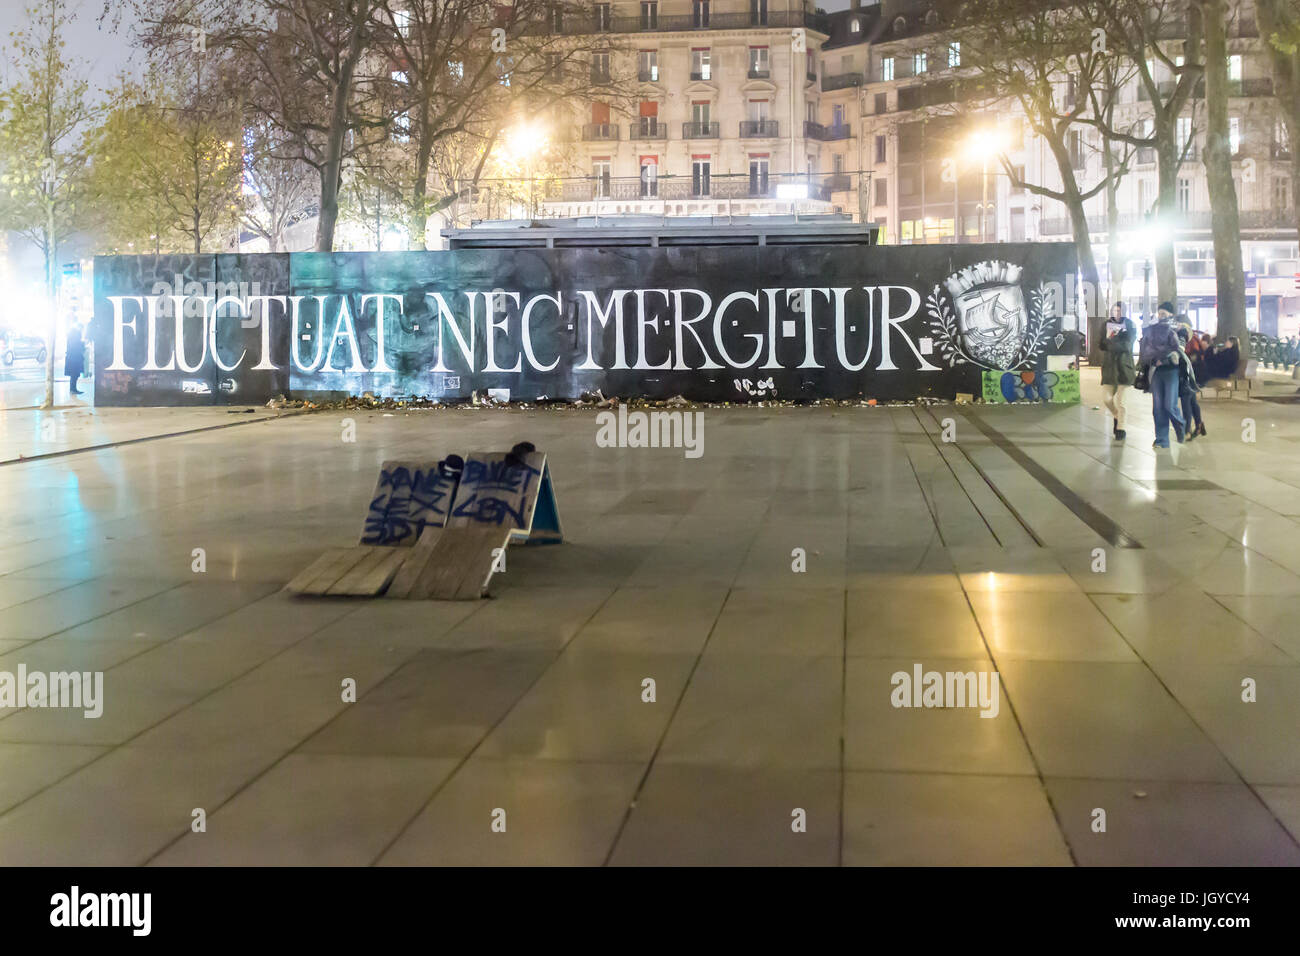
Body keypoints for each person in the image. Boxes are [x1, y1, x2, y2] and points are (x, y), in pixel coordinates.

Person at [1139, 301, 1186, 448]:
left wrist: (1164, 359)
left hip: (1172, 371)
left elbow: (1180, 349)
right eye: (1159, 313)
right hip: (1157, 371)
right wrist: (1153, 360)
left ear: (1171, 314)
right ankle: (1162, 439)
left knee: (1169, 405)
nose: (1161, 316)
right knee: (1158, 407)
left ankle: (1180, 424)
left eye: (1164, 313)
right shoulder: (1152, 329)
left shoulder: (1179, 329)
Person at [1100, 304, 1136, 441]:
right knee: (1106, 399)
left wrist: (1112, 341)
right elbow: (1101, 344)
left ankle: (1121, 428)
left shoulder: (1130, 325)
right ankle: (1116, 415)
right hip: (1109, 368)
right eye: (1115, 310)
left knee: (1122, 402)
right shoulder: (1106, 324)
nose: (1117, 313)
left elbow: (1127, 345)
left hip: (1124, 368)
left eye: (1120, 310)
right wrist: (1110, 341)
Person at [1175, 326, 1206, 439]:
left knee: (1186, 402)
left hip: (1188, 376)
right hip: (1189, 375)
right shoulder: (1193, 340)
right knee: (1192, 401)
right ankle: (1198, 424)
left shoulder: (1191, 342)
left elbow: (1193, 359)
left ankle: (1187, 430)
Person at [65, 320, 85, 395]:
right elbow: (77, 345)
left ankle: (73, 389)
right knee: (75, 374)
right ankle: (73, 389)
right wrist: (82, 344)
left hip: (72, 357)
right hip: (75, 357)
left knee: (74, 374)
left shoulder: (71, 333)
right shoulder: (76, 334)